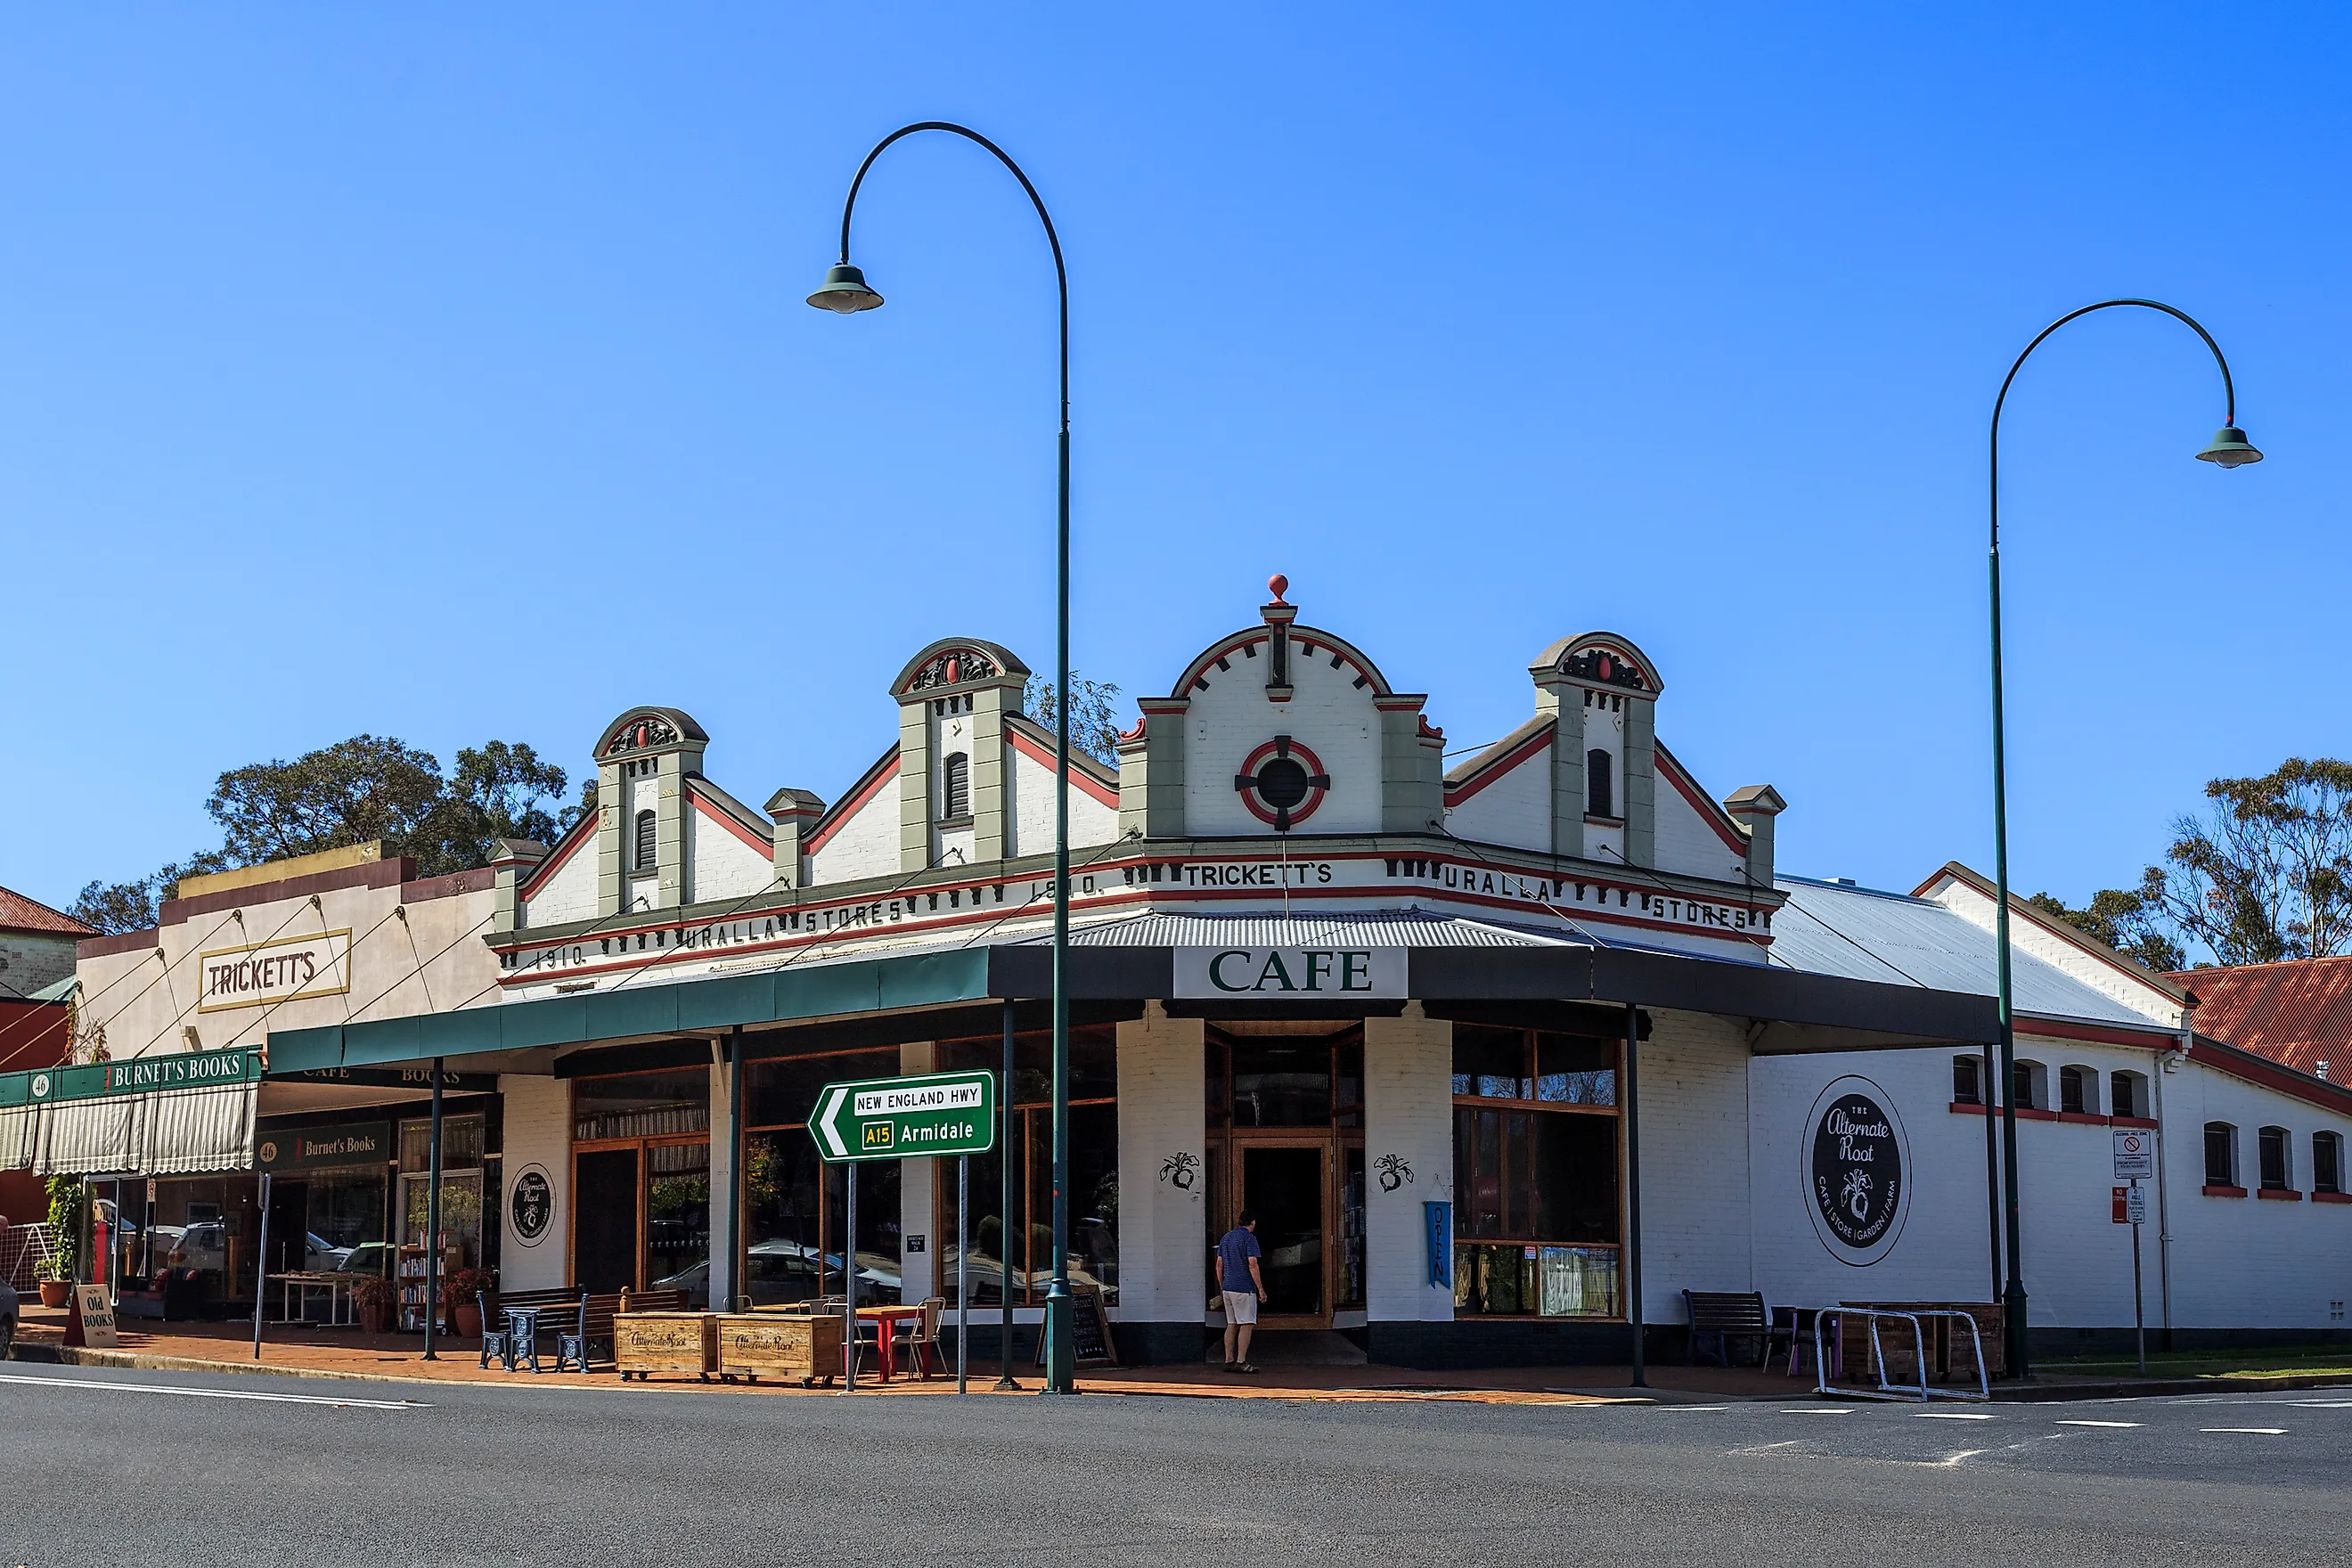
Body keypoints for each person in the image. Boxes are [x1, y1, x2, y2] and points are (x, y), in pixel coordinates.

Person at [1215, 1211, 1266, 1373]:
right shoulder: (1250, 1239)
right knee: (1247, 1324)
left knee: (1232, 1324)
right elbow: (1253, 1264)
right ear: (1252, 1223)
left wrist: (1222, 1284)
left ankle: (1228, 1359)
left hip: (1228, 1287)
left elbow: (1218, 1265)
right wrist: (1260, 1289)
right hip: (1244, 1288)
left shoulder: (1226, 1238)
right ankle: (1241, 1361)